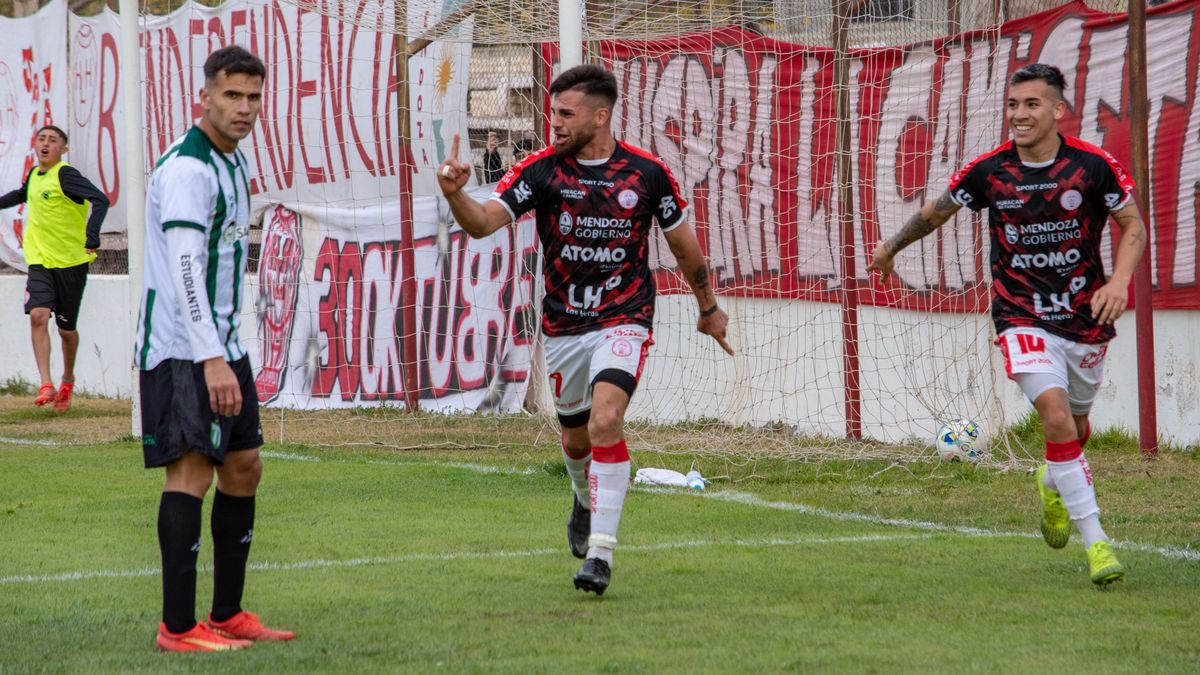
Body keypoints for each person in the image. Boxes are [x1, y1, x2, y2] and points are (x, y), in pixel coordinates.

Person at [438, 64, 733, 596]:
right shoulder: (540, 171)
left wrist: (708, 307)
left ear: (600, 116)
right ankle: (581, 495)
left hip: (625, 317)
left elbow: (683, 244)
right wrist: (456, 194)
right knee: (575, 438)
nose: (554, 122)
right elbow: (481, 224)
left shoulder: (647, 174)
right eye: (552, 112)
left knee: (606, 420)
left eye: (565, 113)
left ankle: (600, 555)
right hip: (564, 327)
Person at [867, 63, 1146, 588]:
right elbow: (935, 212)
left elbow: (1132, 223)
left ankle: (1053, 482)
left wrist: (1119, 281)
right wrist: (891, 247)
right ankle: (1098, 544)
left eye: (1032, 104)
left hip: (1084, 317)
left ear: (1058, 110)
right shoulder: (990, 170)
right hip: (1020, 315)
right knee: (1056, 418)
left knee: (1075, 428)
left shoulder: (1091, 166)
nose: (1019, 114)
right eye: (1013, 105)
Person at [133, 45, 294, 651]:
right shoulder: (188, 171)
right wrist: (211, 358)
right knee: (192, 471)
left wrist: (226, 351)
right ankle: (177, 628)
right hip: (185, 349)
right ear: (204, 96)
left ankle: (226, 612)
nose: (244, 107)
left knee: (245, 466)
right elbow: (184, 269)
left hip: (223, 344)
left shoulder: (233, 160)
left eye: (254, 97)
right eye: (232, 95)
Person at [0, 125, 108, 412]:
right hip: (40, 261)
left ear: (64, 148)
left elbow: (101, 199)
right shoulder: (35, 175)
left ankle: (67, 379)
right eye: (41, 138)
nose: (45, 143)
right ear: (35, 144)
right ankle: (46, 384)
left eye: (53, 139)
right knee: (38, 315)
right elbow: (22, 194)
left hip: (71, 263)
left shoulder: (66, 175)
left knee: (66, 330)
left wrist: (92, 236)